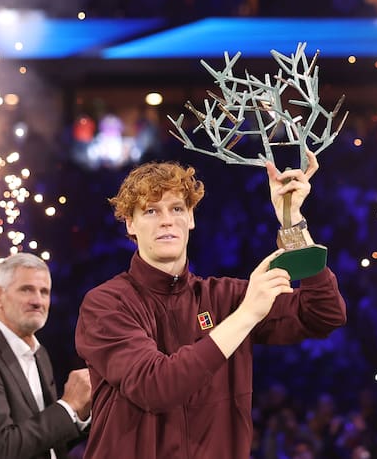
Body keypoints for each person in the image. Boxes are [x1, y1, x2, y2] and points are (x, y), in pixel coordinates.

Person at [75, 152, 347, 458]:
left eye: (177, 208)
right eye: (150, 211)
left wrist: (291, 221)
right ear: (130, 224)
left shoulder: (224, 296)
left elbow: (323, 314)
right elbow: (156, 387)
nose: (167, 220)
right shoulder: (105, 304)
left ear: (190, 218)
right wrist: (246, 315)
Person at [0, 253, 92, 459]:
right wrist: (68, 406)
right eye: (27, 290)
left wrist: (81, 412)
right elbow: (2, 448)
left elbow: (47, 443)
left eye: (44, 292)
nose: (38, 301)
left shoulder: (40, 355)